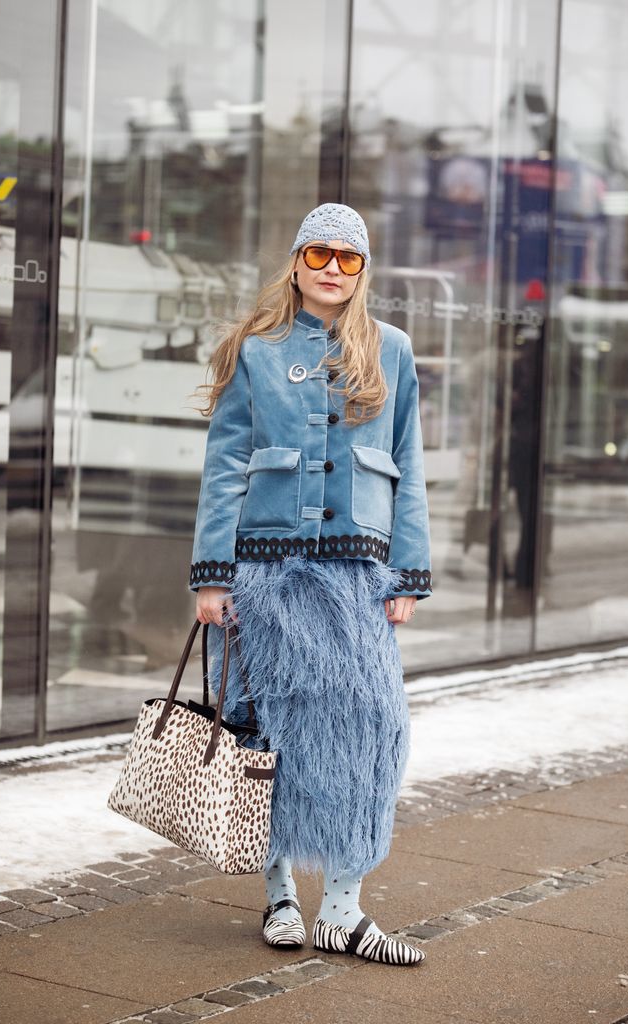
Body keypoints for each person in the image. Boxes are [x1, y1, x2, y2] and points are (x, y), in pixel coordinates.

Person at [190, 203, 433, 966]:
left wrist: (409, 574)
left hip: (357, 577)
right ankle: (280, 897)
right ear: (296, 262)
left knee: (370, 728)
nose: (332, 268)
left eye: (349, 258)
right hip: (265, 572)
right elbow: (226, 465)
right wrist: (211, 575)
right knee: (262, 731)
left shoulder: (391, 351)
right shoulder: (254, 350)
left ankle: (344, 908)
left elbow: (410, 466)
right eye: (319, 254)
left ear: (363, 271)